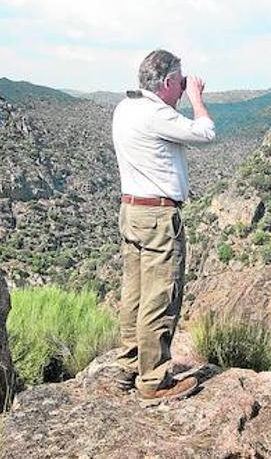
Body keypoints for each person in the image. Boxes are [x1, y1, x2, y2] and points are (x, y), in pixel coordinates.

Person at [109, 48, 215, 402]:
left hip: (131, 212)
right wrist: (197, 100)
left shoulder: (126, 108)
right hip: (157, 218)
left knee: (134, 294)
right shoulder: (155, 114)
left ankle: (128, 366)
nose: (184, 88)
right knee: (160, 296)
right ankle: (154, 380)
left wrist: (179, 96)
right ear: (168, 82)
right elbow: (205, 133)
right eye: (181, 82)